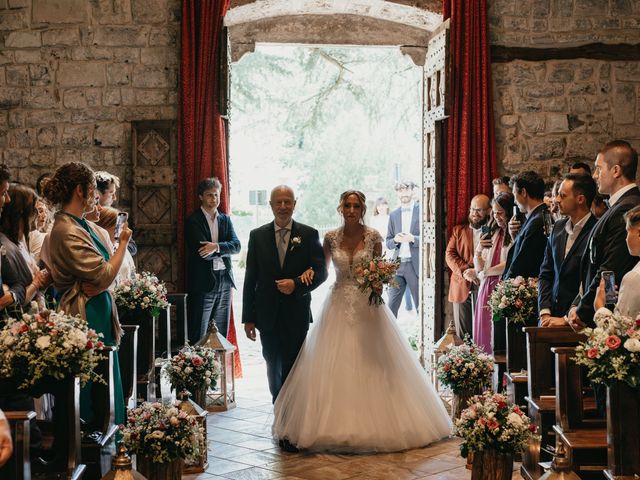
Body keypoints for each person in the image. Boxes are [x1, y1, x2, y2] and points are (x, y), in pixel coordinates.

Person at [273, 190, 451, 452]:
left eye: (356, 206)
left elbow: (379, 268)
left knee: (374, 363)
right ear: (341, 208)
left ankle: (382, 424)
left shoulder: (374, 237)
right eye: (347, 205)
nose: (352, 210)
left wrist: (378, 282)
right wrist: (306, 275)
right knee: (335, 364)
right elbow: (322, 271)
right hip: (337, 303)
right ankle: (331, 427)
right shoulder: (331, 238)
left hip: (369, 306)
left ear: (363, 209)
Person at [42, 162, 132, 428]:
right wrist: (123, 243)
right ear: (80, 190)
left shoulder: (82, 225)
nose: (96, 196)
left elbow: (105, 277)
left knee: (107, 381)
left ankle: (114, 445)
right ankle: (95, 450)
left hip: (98, 309)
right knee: (93, 387)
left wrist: (104, 281)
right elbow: (104, 274)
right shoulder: (66, 230)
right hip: (84, 315)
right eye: (93, 189)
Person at [242, 185, 328, 407]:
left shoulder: (308, 234)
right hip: (266, 315)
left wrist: (297, 284)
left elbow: (321, 272)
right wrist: (248, 318)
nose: (283, 207)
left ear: (294, 204)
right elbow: (251, 278)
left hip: (296, 314)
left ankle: (292, 418)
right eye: (278, 202)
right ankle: (279, 409)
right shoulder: (257, 236)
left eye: (287, 202)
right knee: (272, 365)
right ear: (270, 205)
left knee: (293, 366)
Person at [569, 141, 640, 330]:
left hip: (609, 312)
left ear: (616, 170)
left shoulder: (626, 207)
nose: (594, 175)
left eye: (599, 169)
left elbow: (610, 268)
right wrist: (578, 303)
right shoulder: (617, 206)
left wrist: (586, 312)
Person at [185, 177, 240, 342]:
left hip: (225, 280)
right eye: (209, 195)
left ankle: (219, 367)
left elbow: (237, 246)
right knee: (200, 333)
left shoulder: (225, 219)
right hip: (204, 282)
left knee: (221, 334)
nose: (214, 199)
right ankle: (199, 367)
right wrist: (224, 248)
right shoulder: (193, 221)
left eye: (216, 195)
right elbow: (202, 252)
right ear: (201, 197)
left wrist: (216, 247)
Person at [538, 174, 597, 327]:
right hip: (550, 316)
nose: (556, 199)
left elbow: (591, 281)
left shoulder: (596, 231)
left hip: (579, 321)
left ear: (580, 199)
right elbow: (546, 271)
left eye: (562, 195)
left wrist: (568, 318)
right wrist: (544, 310)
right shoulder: (558, 228)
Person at [473, 192, 514, 353]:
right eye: (494, 212)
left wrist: (486, 271)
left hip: (502, 284)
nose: (496, 217)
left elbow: (509, 262)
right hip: (487, 285)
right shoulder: (493, 232)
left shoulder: (513, 235)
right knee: (483, 327)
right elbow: (478, 265)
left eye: (500, 213)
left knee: (497, 332)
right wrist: (479, 250)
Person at [445, 194, 491, 338]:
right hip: (461, 285)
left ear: (489, 210)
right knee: (463, 336)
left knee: (485, 332)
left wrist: (476, 272)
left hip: (485, 284)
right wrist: (466, 271)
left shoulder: (494, 232)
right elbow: (450, 255)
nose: (474, 214)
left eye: (479, 210)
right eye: (472, 209)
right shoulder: (458, 230)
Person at [0, 184, 51, 312]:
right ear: (22, 212)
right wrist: (36, 283)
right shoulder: (5, 246)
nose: (38, 215)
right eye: (35, 210)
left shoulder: (20, 241)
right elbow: (10, 301)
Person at [594, 205, 640, 317]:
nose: (626, 238)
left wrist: (599, 306)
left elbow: (621, 330)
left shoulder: (634, 277)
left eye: (628, 231)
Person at [502, 171, 549, 280]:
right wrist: (515, 237)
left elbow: (523, 263)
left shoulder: (537, 222)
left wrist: (505, 285)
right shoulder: (538, 216)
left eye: (514, 194)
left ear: (523, 192)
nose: (514, 201)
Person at [385, 180, 420, 317]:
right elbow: (388, 242)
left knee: (420, 306)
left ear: (412, 190)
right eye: (400, 190)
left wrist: (413, 238)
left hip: (415, 265)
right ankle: (388, 338)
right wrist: (395, 240)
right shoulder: (393, 215)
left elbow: (430, 238)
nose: (403, 193)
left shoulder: (421, 210)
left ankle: (423, 338)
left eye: (406, 189)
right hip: (397, 266)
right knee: (391, 307)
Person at [95, 207, 136, 282]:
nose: (121, 230)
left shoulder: (121, 247)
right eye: (116, 226)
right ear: (103, 227)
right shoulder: (96, 250)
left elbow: (131, 272)